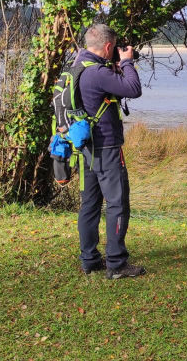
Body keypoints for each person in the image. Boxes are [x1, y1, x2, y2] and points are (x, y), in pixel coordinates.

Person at [74, 23, 144, 279]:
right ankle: (116, 263)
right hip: (106, 147)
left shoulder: (78, 66)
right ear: (107, 46)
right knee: (117, 203)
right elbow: (134, 89)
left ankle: (89, 259)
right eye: (114, 47)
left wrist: (115, 67)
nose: (116, 51)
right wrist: (126, 62)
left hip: (86, 147)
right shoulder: (98, 73)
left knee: (90, 205)